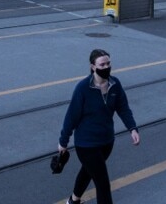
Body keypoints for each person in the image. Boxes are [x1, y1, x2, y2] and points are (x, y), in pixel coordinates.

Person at [58, 49, 140, 204]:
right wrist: (63, 142)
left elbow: (123, 107)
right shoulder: (83, 88)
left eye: (108, 63)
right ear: (93, 67)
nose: (106, 67)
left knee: (89, 171)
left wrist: (132, 128)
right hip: (86, 144)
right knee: (102, 184)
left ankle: (73, 201)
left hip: (106, 142)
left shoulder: (115, 84)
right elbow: (71, 117)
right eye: (102, 64)